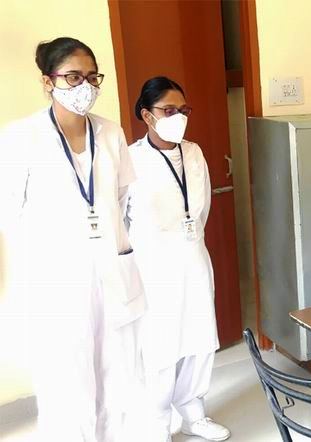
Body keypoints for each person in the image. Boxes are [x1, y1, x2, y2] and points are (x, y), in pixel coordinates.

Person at [0, 37, 145, 441]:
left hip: (112, 273)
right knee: (66, 385)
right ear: (48, 82)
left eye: (92, 77)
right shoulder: (20, 138)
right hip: (56, 281)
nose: (86, 86)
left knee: (118, 380)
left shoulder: (111, 133)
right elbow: (7, 216)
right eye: (74, 77)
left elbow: (121, 198)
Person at [125, 77, 229, 441]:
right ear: (147, 115)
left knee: (200, 338)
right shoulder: (131, 159)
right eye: (169, 110)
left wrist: (189, 238)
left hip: (193, 257)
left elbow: (202, 208)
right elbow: (121, 218)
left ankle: (193, 413)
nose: (179, 117)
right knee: (161, 344)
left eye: (183, 110)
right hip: (153, 266)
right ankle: (156, 421)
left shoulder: (194, 152)